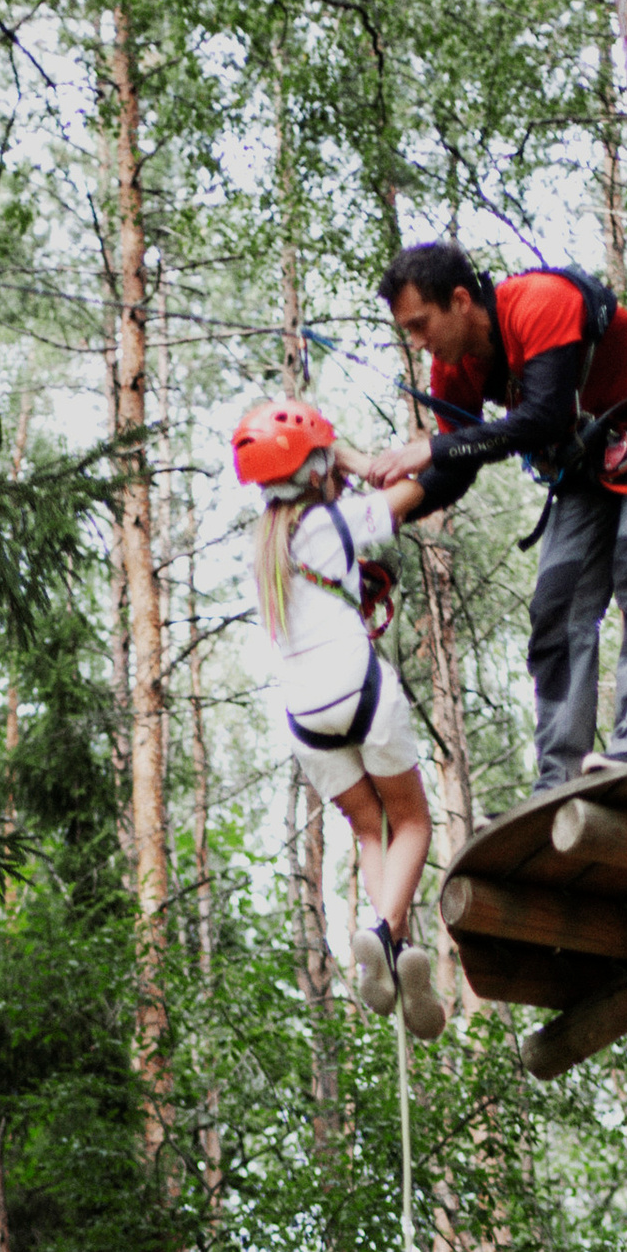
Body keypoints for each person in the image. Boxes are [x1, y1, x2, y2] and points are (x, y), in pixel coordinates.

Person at [368, 242, 627, 794]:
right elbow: (458, 466)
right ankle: (559, 778)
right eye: (408, 330)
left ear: (460, 301)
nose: (417, 341)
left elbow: (544, 414)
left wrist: (432, 449)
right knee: (556, 607)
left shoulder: (539, 301)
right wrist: (381, 514)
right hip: (586, 469)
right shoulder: (453, 368)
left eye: (420, 324)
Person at [231, 396, 447, 1041]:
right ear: (317, 466)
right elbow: (418, 488)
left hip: (305, 715)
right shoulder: (330, 523)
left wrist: (328, 462)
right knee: (412, 821)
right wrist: (353, 457)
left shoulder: (265, 544)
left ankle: (392, 948)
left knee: (371, 831)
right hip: (359, 690)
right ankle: (383, 931)